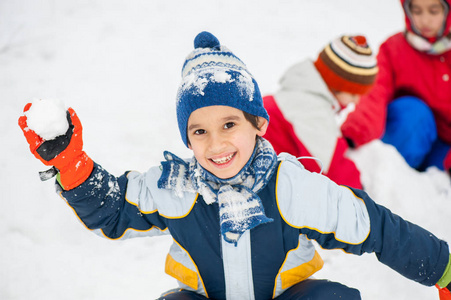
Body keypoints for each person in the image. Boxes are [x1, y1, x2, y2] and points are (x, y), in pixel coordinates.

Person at [18, 31, 451, 300]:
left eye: (229, 124)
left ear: (258, 123)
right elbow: (114, 209)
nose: (217, 143)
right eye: (199, 131)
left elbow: (374, 227)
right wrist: (72, 165)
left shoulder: (291, 187)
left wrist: (443, 269)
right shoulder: (176, 187)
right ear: (186, 138)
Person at [340, 0, 451, 174]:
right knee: (414, 112)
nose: (425, 20)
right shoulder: (394, 48)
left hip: (445, 149)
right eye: (417, 11)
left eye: (434, 11)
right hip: (408, 136)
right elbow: (375, 93)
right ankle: (385, 179)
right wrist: (353, 133)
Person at [263, 35, 378, 189]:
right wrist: (359, 191)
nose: (357, 102)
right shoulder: (312, 111)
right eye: (353, 94)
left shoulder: (300, 92)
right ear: (335, 84)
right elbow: (330, 171)